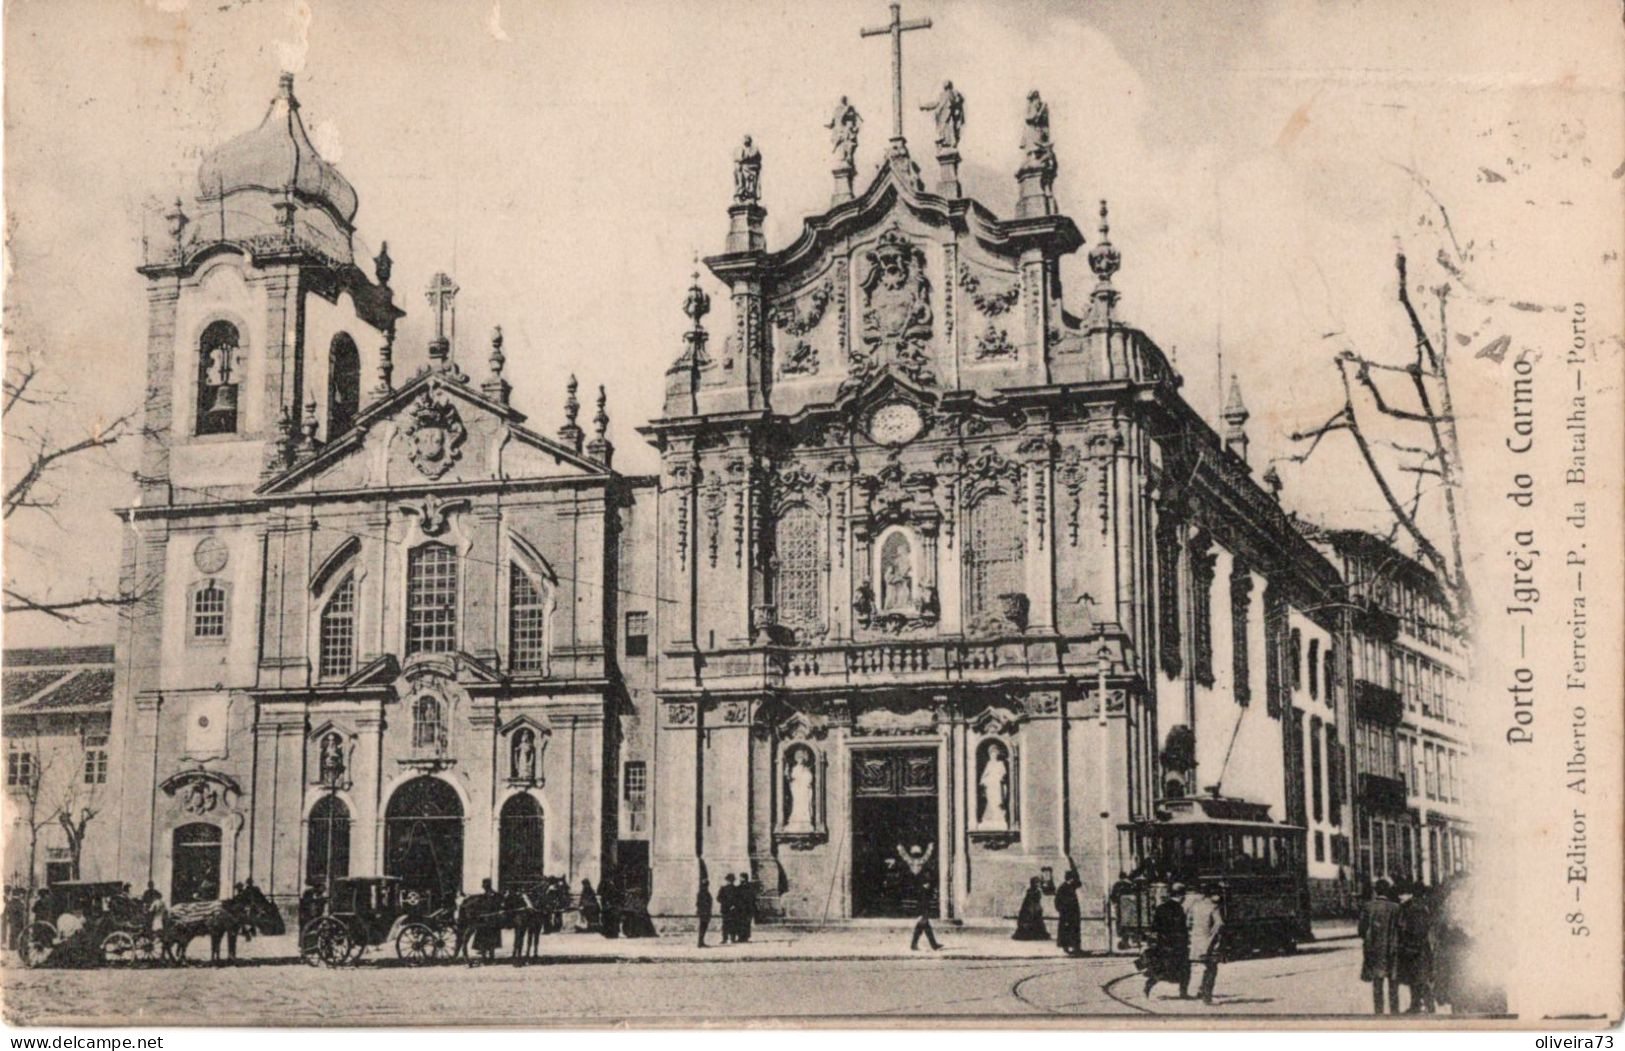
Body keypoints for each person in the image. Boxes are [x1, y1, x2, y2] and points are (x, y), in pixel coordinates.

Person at [1359, 879, 1402, 1014]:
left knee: (1377, 984)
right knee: (1393, 984)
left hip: (1375, 950)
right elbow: (1401, 929)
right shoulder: (1396, 908)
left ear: (1375, 890)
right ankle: (1394, 1013)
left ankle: (1379, 1013)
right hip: (1393, 949)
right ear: (1388, 891)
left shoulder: (1368, 907)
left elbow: (1361, 930)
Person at [1144, 883, 1192, 998]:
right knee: (1185, 968)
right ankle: (1183, 993)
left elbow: (1155, 927)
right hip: (1177, 945)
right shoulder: (1179, 909)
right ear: (1182, 896)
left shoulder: (1161, 908)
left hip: (1163, 944)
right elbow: (1181, 928)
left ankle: (1148, 985)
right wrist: (1186, 941)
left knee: (1161, 969)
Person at [1396, 883, 1436, 1013]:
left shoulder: (1407, 906)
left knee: (1413, 977)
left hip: (1410, 946)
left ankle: (1416, 1004)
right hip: (1423, 946)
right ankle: (1429, 1005)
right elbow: (1432, 925)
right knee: (1423, 977)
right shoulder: (1428, 906)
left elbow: (1401, 925)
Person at [1185, 883, 1226, 1004]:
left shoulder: (1196, 906)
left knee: (1206, 967)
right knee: (1212, 969)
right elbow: (1219, 924)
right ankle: (1207, 998)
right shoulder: (1214, 907)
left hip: (1197, 942)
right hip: (1210, 943)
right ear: (1213, 895)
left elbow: (1189, 923)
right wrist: (1212, 937)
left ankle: (1201, 991)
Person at [899, 844, 940, 951]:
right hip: (922, 894)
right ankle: (918, 944)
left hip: (917, 893)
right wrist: (930, 847)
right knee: (924, 919)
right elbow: (927, 855)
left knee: (925, 920)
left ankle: (932, 944)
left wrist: (900, 848)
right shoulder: (921, 862)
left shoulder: (910, 862)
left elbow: (904, 855)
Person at [1054, 871, 1082, 955]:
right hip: (1066, 914)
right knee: (1066, 931)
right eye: (1073, 878)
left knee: (1074, 930)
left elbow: (1079, 883)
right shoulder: (1063, 888)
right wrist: (1062, 911)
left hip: (1073, 914)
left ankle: (1075, 948)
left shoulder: (1071, 886)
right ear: (1070, 878)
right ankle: (1066, 947)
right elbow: (1057, 902)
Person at [1013, 876, 1049, 941]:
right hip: (1031, 909)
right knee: (1032, 920)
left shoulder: (1035, 891)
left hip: (1034, 909)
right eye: (1036, 883)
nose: (1038, 884)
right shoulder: (1032, 892)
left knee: (1036, 921)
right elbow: (1031, 901)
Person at [717, 873, 737, 944]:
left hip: (729, 909)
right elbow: (719, 898)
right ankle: (727, 938)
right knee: (729, 923)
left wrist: (733, 905)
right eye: (730, 880)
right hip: (728, 909)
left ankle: (729, 938)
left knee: (729, 923)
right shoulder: (724, 888)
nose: (730, 881)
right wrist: (731, 905)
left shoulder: (735, 889)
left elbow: (719, 898)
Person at [735, 872, 755, 943]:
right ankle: (740, 937)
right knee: (740, 923)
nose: (740, 879)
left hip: (747, 908)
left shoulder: (750, 887)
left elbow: (752, 898)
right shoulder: (738, 887)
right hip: (740, 909)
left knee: (746, 923)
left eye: (741, 877)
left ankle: (745, 937)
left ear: (745, 878)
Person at [695, 875, 713, 948]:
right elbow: (700, 903)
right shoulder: (704, 893)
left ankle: (701, 941)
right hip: (704, 912)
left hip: (704, 912)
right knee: (703, 927)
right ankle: (700, 942)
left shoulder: (702, 892)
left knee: (703, 927)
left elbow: (698, 903)